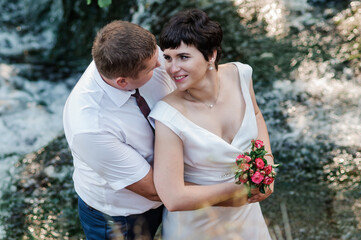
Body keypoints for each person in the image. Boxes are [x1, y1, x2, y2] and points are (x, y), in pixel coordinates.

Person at [149, 9, 274, 239]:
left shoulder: (241, 75)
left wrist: (266, 165)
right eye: (168, 57)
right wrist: (240, 190)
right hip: (196, 226)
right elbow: (173, 198)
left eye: (183, 57)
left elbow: (256, 115)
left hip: (247, 220)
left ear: (212, 55)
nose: (172, 69)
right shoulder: (168, 115)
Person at [62, 20, 176, 239]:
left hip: (166, 190)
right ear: (122, 81)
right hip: (120, 218)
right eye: (153, 67)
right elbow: (152, 188)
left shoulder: (139, 55)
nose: (163, 64)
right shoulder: (90, 127)